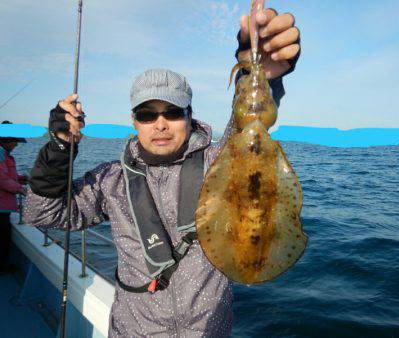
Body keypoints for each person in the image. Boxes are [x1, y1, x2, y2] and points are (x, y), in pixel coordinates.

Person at [24, 8, 301, 337]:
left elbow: (248, 125)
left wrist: (261, 75)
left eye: (172, 111)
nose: (160, 123)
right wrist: (58, 151)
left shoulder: (220, 162)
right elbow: (43, 214)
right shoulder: (111, 181)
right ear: (133, 120)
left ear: (189, 115)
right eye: (146, 113)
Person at [0, 121, 28, 274]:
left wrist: (21, 178)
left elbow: (6, 175)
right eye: (14, 141)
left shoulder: (4, 155)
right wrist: (21, 189)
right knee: (2, 239)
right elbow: (2, 180)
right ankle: (2, 267)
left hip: (4, 207)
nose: (16, 145)